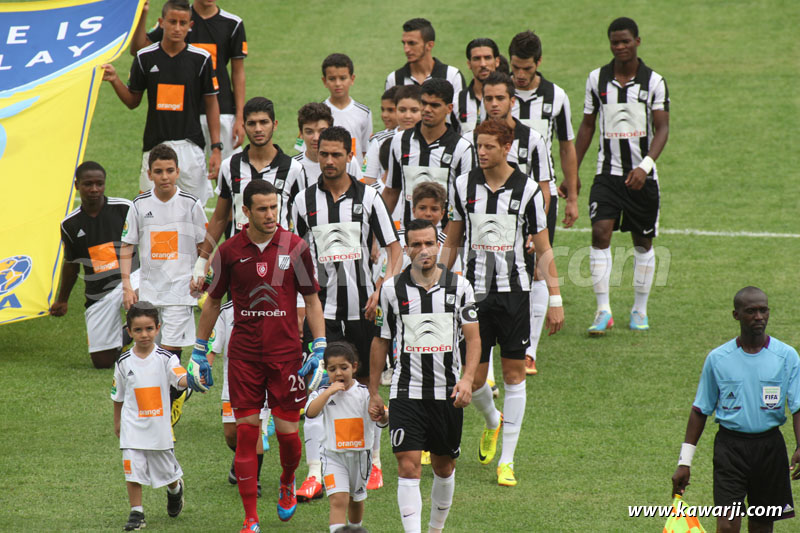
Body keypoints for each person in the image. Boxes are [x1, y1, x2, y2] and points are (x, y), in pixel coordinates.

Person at [189, 179, 327, 530]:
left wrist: (320, 344)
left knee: (288, 436)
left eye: (274, 207)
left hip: (285, 358)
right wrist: (199, 350)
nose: (270, 215)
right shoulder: (229, 252)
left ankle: (286, 481)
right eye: (262, 209)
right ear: (245, 212)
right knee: (247, 435)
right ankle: (250, 518)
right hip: (245, 358)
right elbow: (213, 302)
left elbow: (311, 299)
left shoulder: (295, 247)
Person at [442, 120, 564, 487]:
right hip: (473, 294)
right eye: (478, 145)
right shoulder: (463, 185)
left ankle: (506, 462)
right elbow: (451, 240)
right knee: (475, 378)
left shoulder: (527, 190)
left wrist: (555, 297)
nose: (481, 151)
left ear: (507, 146)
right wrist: (437, 287)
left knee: (513, 375)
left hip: (514, 294)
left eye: (489, 146)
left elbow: (542, 247)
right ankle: (493, 422)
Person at [291, 126, 401, 503]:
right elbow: (293, 256)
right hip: (320, 313)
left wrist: (381, 288)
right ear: (316, 153)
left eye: (337, 154)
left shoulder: (369, 197)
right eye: (324, 154)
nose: (329, 161)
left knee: (369, 385)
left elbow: (394, 249)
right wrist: (299, 307)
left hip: (362, 311)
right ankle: (314, 472)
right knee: (317, 386)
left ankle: (373, 461)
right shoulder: (303, 200)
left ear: (350, 154)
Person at [368, 218, 481, 533]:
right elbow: (381, 340)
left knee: (444, 467)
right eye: (416, 244)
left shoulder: (460, 286)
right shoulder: (391, 290)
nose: (423, 250)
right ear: (406, 249)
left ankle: (435, 529)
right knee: (408, 465)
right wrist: (374, 391)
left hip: (447, 393)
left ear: (439, 245)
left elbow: (473, 338)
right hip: (406, 392)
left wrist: (468, 379)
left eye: (429, 243)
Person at [671, 287, 800, 533]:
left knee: (762, 525)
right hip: (730, 449)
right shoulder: (718, 359)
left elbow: (799, 407)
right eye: (751, 311)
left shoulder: (787, 357)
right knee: (727, 525)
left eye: (763, 310)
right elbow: (700, 410)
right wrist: (684, 462)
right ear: (736, 315)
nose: (759, 317)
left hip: (770, 448)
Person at [574, 17, 670, 335]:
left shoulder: (654, 81)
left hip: (642, 176)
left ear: (637, 42)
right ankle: (603, 310)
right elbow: (587, 125)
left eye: (625, 41)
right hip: (607, 176)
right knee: (600, 232)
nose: (620, 46)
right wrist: (572, 170)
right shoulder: (596, 79)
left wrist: (645, 166)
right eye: (615, 42)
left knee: (642, 242)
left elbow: (662, 128)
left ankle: (639, 310)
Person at [120, 144, 208, 425]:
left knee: (170, 352)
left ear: (178, 171)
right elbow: (127, 245)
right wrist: (126, 285)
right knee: (150, 351)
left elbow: (204, 244)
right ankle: (165, 399)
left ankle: (168, 405)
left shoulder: (191, 204)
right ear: (150, 174)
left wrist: (201, 273)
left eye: (170, 170)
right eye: (158, 171)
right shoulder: (140, 205)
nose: (165, 176)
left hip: (181, 292)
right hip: (150, 291)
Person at [102, 0, 222, 204]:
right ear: (161, 22)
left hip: (190, 147)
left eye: (182, 23)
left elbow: (211, 103)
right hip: (154, 146)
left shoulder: (201, 59)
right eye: (172, 21)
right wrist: (115, 80)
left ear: (190, 26)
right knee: (149, 209)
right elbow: (132, 101)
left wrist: (216, 148)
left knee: (196, 213)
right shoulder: (145, 57)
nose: (177, 28)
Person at [194, 96, 306, 283]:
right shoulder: (230, 166)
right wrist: (202, 261)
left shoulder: (294, 169)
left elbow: (302, 221)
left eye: (264, 122)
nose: (258, 129)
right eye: (252, 123)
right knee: (236, 312)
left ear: (274, 124)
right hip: (239, 260)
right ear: (244, 126)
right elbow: (220, 217)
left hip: (280, 262)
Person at [130, 0, 248, 162]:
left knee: (228, 171)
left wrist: (240, 117)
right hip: (186, 117)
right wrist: (142, 14)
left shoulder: (232, 23)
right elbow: (139, 49)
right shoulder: (178, 17)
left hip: (222, 110)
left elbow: (238, 72)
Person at [51, 161, 138, 369]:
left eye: (99, 184)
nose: (94, 189)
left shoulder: (124, 208)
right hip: (99, 292)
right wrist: (63, 300)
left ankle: (141, 332)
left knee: (142, 299)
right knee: (102, 362)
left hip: (131, 278)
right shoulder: (69, 224)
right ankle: (125, 334)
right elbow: (71, 264)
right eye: (88, 184)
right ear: (77, 185)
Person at [111, 302, 188, 531]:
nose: (144, 335)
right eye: (138, 330)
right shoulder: (123, 362)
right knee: (132, 467)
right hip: (132, 425)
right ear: (129, 331)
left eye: (149, 329)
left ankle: (175, 489)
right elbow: (118, 395)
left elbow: (179, 377)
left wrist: (191, 380)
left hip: (158, 426)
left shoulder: (166, 358)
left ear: (158, 328)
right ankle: (137, 513)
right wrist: (117, 422)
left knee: (166, 473)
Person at [306, 341, 389, 533]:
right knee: (338, 499)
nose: (339, 373)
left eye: (344, 368)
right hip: (333, 456)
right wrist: (328, 392)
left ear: (354, 367)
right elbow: (310, 413)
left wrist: (382, 414)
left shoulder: (365, 393)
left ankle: (355, 529)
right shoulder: (323, 394)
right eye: (332, 369)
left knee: (356, 500)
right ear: (326, 370)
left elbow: (383, 420)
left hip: (360, 457)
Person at [383, 78, 474, 229]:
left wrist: (448, 245)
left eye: (435, 105)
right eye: (424, 103)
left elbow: (464, 204)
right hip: (408, 239)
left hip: (445, 241)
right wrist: (374, 237)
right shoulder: (400, 140)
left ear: (449, 108)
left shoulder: (462, 148)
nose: (427, 109)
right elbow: (392, 191)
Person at [207, 300, 267, 498]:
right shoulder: (226, 312)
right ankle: (241, 458)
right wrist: (204, 368)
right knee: (232, 434)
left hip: (262, 377)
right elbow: (213, 347)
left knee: (254, 430)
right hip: (233, 380)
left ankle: (254, 480)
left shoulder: (272, 308)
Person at [385, 18, 465, 98]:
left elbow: (459, 109)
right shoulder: (394, 79)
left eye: (412, 43)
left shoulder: (452, 76)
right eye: (404, 43)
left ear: (429, 45)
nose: (406, 49)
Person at [293, 103, 364, 183]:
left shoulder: (348, 161)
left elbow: (361, 192)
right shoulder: (293, 167)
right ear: (301, 134)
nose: (316, 138)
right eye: (309, 132)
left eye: (322, 131)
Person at [321, 53, 373, 162]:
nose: (338, 83)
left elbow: (366, 150)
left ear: (352, 79)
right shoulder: (317, 112)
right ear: (324, 81)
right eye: (332, 79)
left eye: (343, 78)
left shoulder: (364, 113)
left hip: (355, 176)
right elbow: (305, 148)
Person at [452, 38, 499, 137]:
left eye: (487, 58)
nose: (483, 64)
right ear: (469, 64)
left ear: (497, 61)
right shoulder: (457, 101)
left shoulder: (511, 99)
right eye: (477, 59)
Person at [362, 86, 400, 187]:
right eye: (383, 110)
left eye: (390, 110)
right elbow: (367, 180)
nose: (384, 115)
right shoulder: (377, 140)